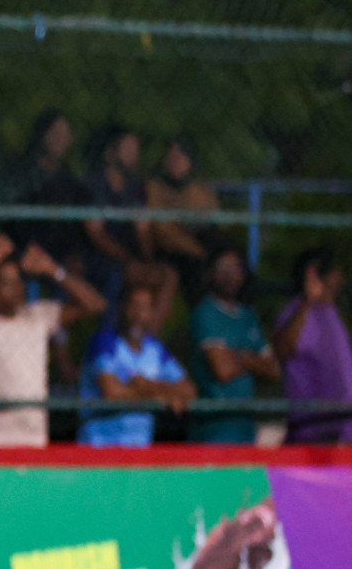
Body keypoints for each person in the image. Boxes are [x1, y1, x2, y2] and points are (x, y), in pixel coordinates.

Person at [0, 242, 106, 448]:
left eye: (18, 281)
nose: (17, 288)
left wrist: (53, 269)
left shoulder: (38, 316)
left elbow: (95, 304)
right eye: (6, 282)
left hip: (32, 438)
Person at [78, 284, 195, 446]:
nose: (139, 314)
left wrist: (147, 385)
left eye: (145, 308)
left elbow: (188, 390)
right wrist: (159, 395)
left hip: (138, 447)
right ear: (121, 308)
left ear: (152, 313)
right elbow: (112, 392)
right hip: (99, 444)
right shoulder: (105, 342)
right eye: (134, 306)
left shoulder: (155, 348)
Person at [83, 127, 178, 329]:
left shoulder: (136, 187)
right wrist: (127, 259)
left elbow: (144, 237)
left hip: (130, 258)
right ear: (110, 153)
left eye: (135, 148)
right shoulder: (95, 183)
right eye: (127, 148)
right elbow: (96, 234)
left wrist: (144, 244)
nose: (132, 154)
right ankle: (109, 341)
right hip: (98, 257)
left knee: (167, 275)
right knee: (118, 276)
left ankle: (149, 341)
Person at [272, 247, 352, 445]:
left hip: (346, 431)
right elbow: (283, 348)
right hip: (318, 433)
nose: (340, 276)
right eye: (334, 270)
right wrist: (308, 299)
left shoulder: (332, 312)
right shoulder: (299, 310)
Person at [188, 248, 280, 444]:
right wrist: (252, 360)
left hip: (245, 430)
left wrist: (240, 357)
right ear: (209, 273)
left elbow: (274, 369)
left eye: (236, 267)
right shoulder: (205, 314)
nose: (231, 274)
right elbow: (223, 369)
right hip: (213, 432)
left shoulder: (248, 317)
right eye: (224, 268)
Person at [0, 108, 91, 266]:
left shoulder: (69, 178)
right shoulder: (21, 172)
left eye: (65, 134)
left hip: (62, 254)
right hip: (26, 248)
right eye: (54, 132)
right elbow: (14, 223)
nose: (60, 139)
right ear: (41, 135)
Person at [145, 135, 220, 308]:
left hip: (199, 247)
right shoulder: (155, 187)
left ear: (190, 161)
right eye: (170, 157)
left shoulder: (200, 190)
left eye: (179, 158)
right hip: (172, 251)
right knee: (193, 269)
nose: (173, 162)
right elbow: (164, 230)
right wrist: (197, 251)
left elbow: (210, 224)